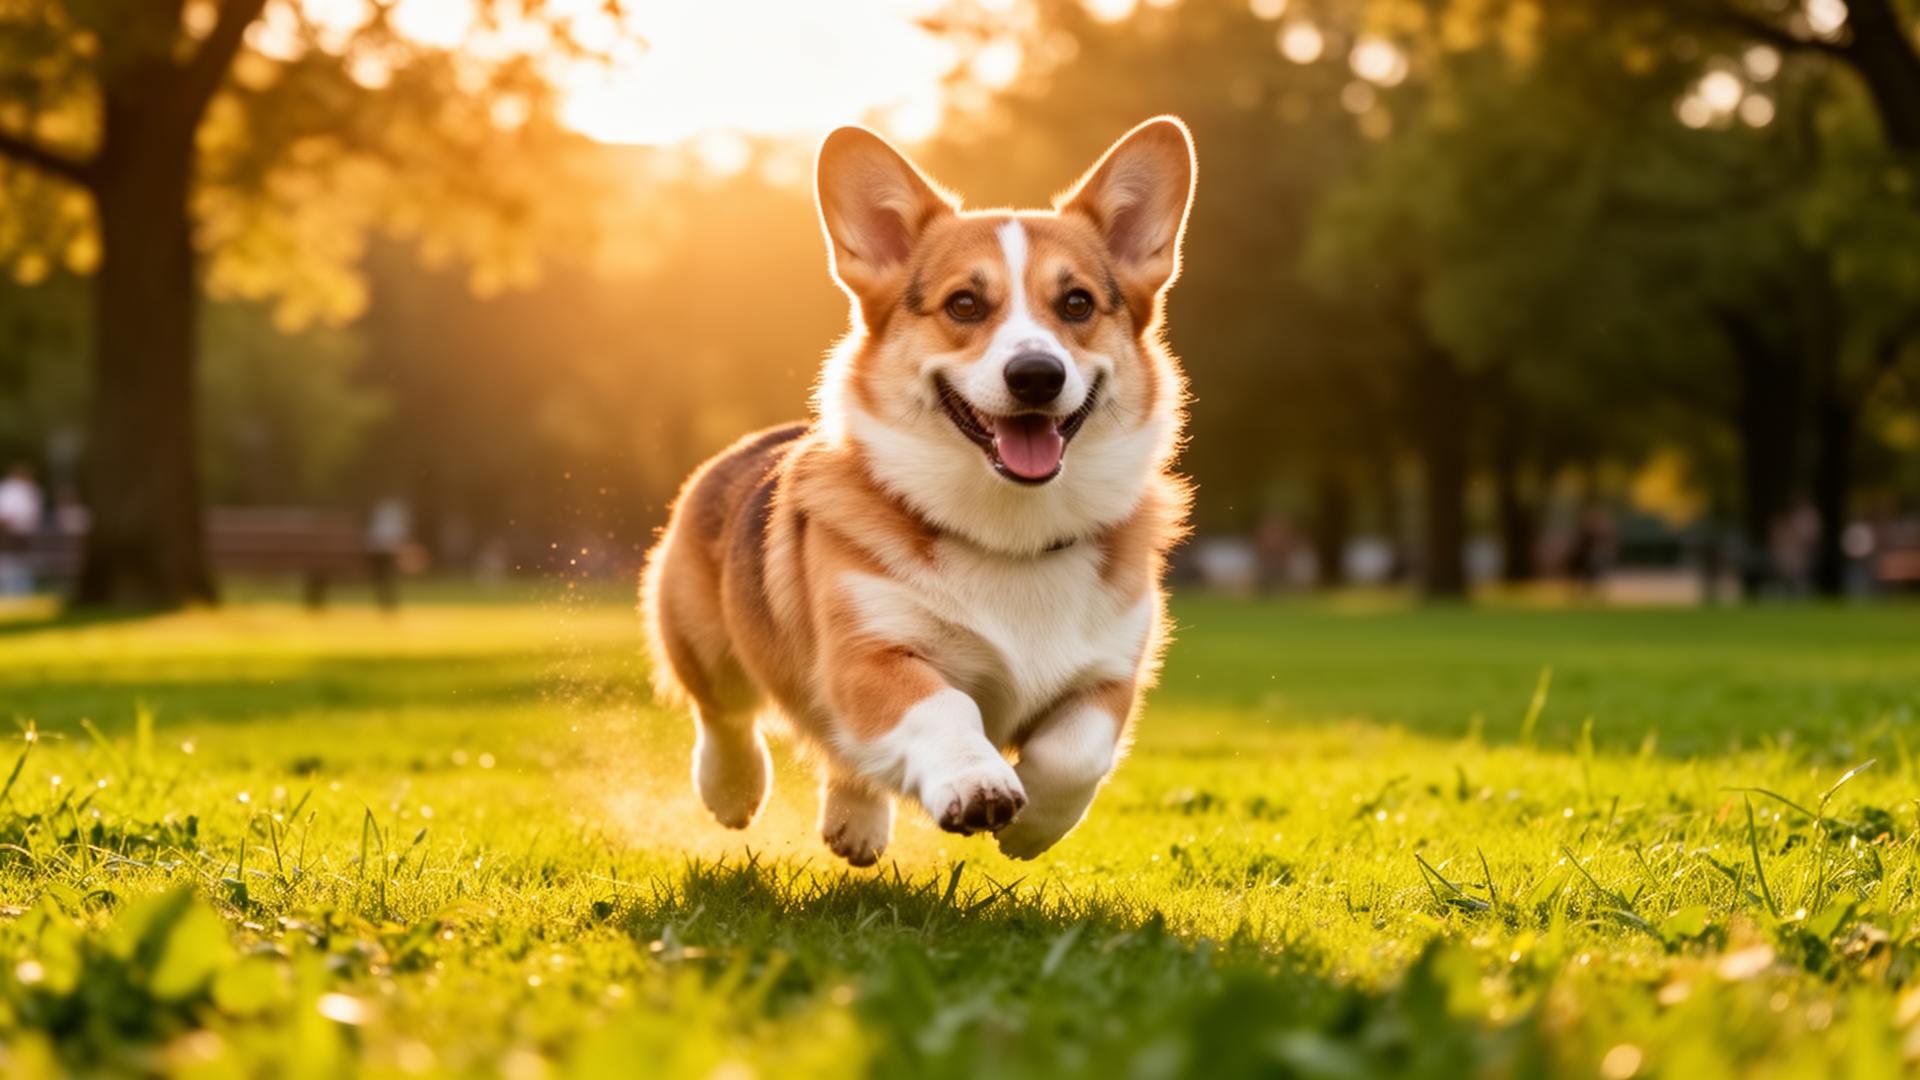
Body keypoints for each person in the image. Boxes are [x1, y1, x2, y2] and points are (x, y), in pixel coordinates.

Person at [0, 463, 45, 597]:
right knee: (13, 560)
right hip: (14, 532)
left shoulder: (27, 490)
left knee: (16, 560)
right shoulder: (16, 489)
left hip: (19, 533)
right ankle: (14, 587)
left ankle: (17, 588)